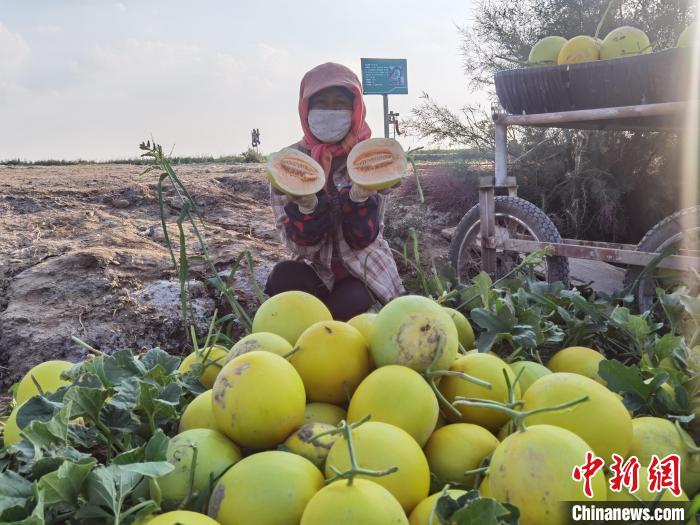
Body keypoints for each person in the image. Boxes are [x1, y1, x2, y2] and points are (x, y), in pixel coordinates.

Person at [265, 62, 404, 321]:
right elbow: (296, 243)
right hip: (315, 267)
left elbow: (363, 238)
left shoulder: (371, 157)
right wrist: (308, 207)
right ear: (305, 109)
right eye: (321, 103)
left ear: (356, 109)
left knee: (351, 305)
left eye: (340, 103)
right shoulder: (288, 163)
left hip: (363, 269)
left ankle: (324, 333)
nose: (330, 111)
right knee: (283, 277)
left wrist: (359, 198)